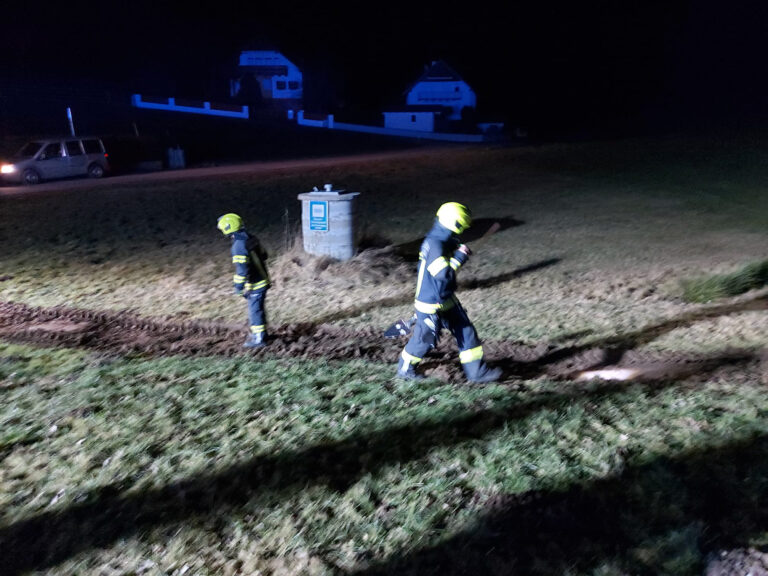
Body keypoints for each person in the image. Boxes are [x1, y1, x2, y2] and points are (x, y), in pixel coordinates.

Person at [396, 202, 502, 383]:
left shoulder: (439, 240)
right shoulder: (435, 244)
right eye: (462, 226)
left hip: (444, 297)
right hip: (430, 302)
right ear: (456, 223)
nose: (462, 231)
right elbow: (443, 275)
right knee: (425, 339)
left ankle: (477, 373)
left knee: (466, 331)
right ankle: (405, 370)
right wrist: (460, 256)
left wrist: (455, 246)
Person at [217, 213, 271, 348]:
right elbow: (264, 255)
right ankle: (262, 334)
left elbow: (242, 270)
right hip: (263, 278)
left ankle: (258, 339)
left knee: (255, 311)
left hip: (256, 283)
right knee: (258, 309)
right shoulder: (250, 238)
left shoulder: (238, 246)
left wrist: (238, 287)